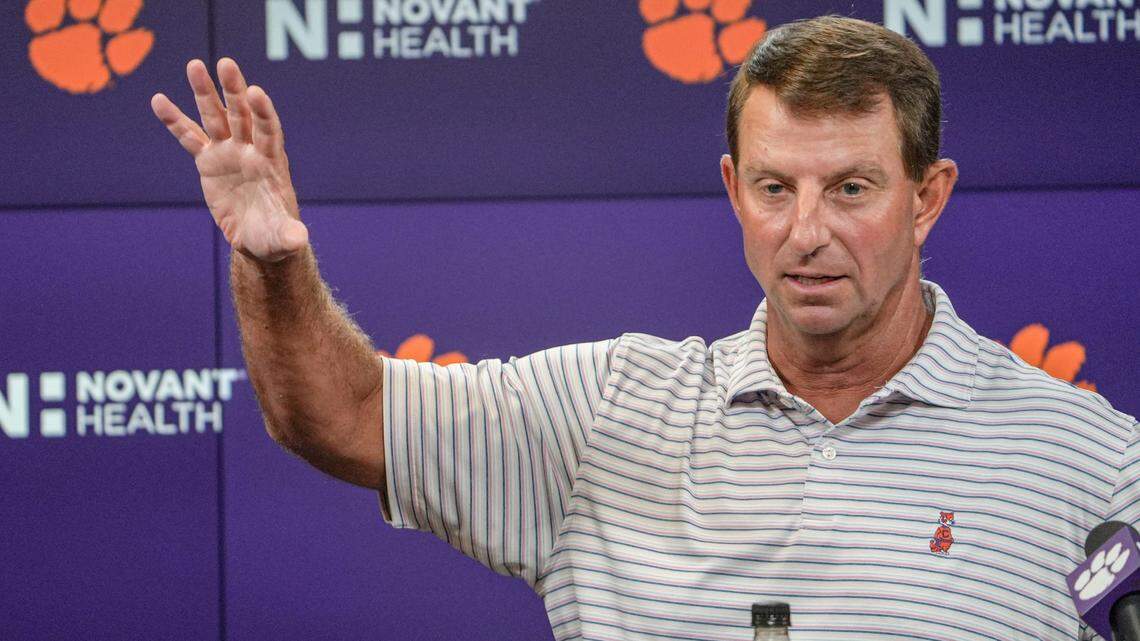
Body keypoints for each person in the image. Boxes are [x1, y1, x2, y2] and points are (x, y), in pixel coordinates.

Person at [152, 15, 1136, 641]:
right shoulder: (605, 413)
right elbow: (344, 411)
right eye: (774, 187)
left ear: (926, 198)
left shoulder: (1089, 459)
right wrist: (274, 259)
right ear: (732, 191)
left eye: (851, 188)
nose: (807, 231)